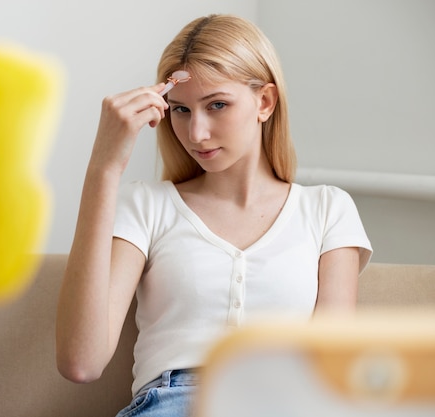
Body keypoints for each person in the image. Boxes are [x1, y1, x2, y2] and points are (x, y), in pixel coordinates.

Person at [55, 14, 372, 417]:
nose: (195, 133)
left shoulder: (328, 209)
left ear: (265, 102)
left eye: (217, 105)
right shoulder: (147, 206)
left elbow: (332, 365)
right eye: (181, 110)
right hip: (170, 404)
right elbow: (81, 362)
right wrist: (103, 168)